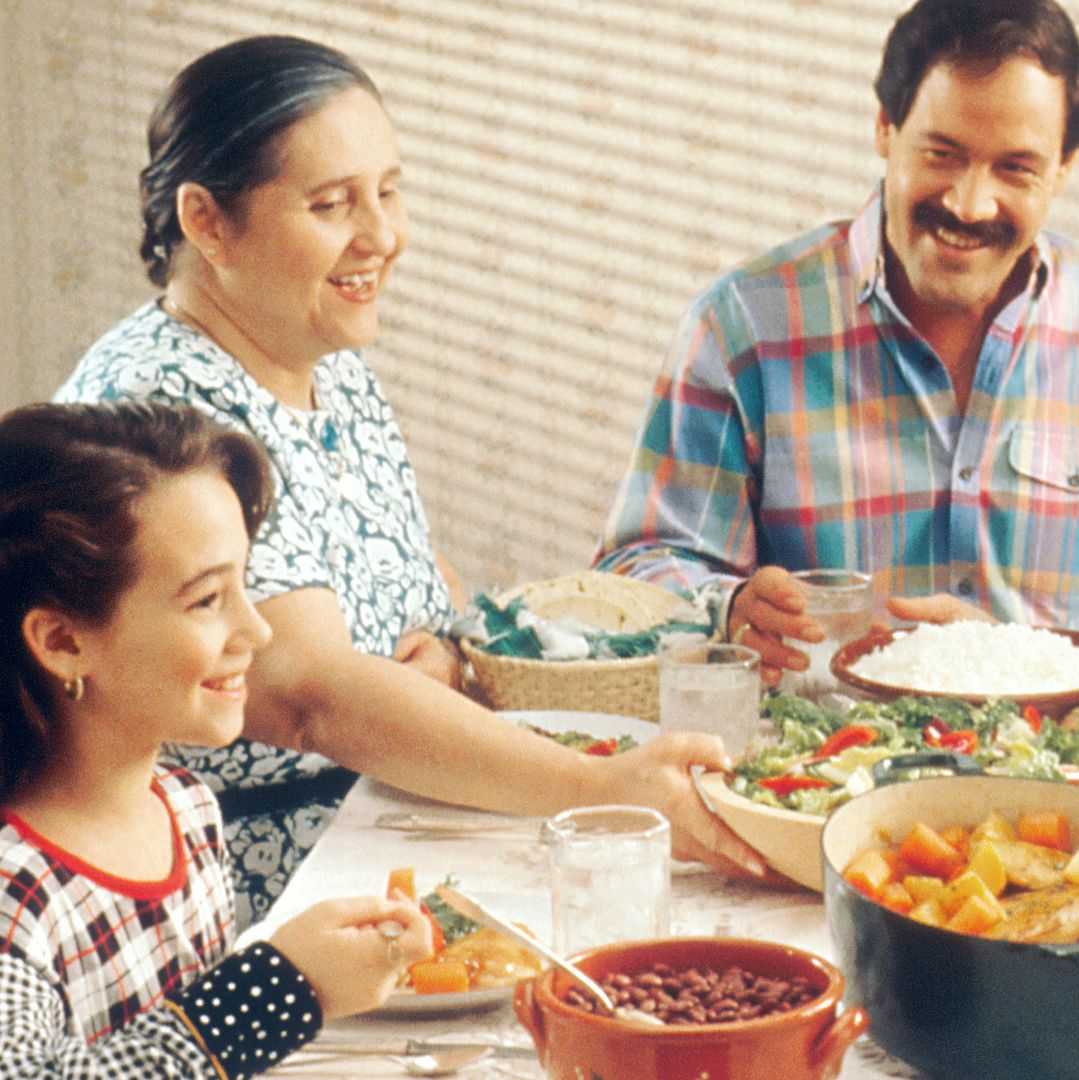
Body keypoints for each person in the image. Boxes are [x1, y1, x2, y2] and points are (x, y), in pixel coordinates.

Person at [58, 35, 763, 927]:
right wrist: (600, 787)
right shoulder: (164, 408)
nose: (384, 237)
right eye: (331, 204)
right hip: (251, 883)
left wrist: (454, 650)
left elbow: (414, 580)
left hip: (391, 815)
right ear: (206, 222)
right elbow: (311, 698)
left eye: (389, 192)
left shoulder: (319, 352)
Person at [594, 0, 1079, 687]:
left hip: (1073, 794)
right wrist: (726, 608)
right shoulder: (741, 330)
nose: (969, 202)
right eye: (942, 153)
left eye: (1015, 168)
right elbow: (633, 574)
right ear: (885, 129)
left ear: (1063, 171)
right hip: (820, 783)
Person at [0, 400, 436, 1077]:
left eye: (246, 585)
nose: (258, 632)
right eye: (206, 600)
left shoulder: (184, 805)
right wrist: (283, 988)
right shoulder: (15, 896)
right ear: (62, 641)